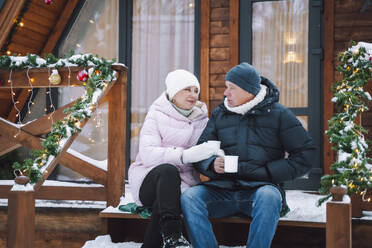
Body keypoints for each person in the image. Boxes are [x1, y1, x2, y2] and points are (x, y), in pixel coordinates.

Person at [181, 62, 316, 248]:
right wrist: (211, 164)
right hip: (223, 190)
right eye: (226, 88)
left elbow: (306, 155)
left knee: (270, 196)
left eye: (231, 88)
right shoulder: (220, 115)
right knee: (190, 197)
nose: (225, 93)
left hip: (260, 191)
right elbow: (200, 152)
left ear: (249, 91)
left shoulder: (278, 114)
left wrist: (268, 172)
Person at [128, 69, 221, 248]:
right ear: (173, 92)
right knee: (168, 171)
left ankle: (171, 240)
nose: (193, 94)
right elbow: (147, 154)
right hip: (149, 180)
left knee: (166, 201)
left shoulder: (202, 120)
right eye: (187, 89)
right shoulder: (156, 114)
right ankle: (172, 233)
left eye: (196, 90)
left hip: (183, 184)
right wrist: (183, 156)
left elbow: (207, 151)